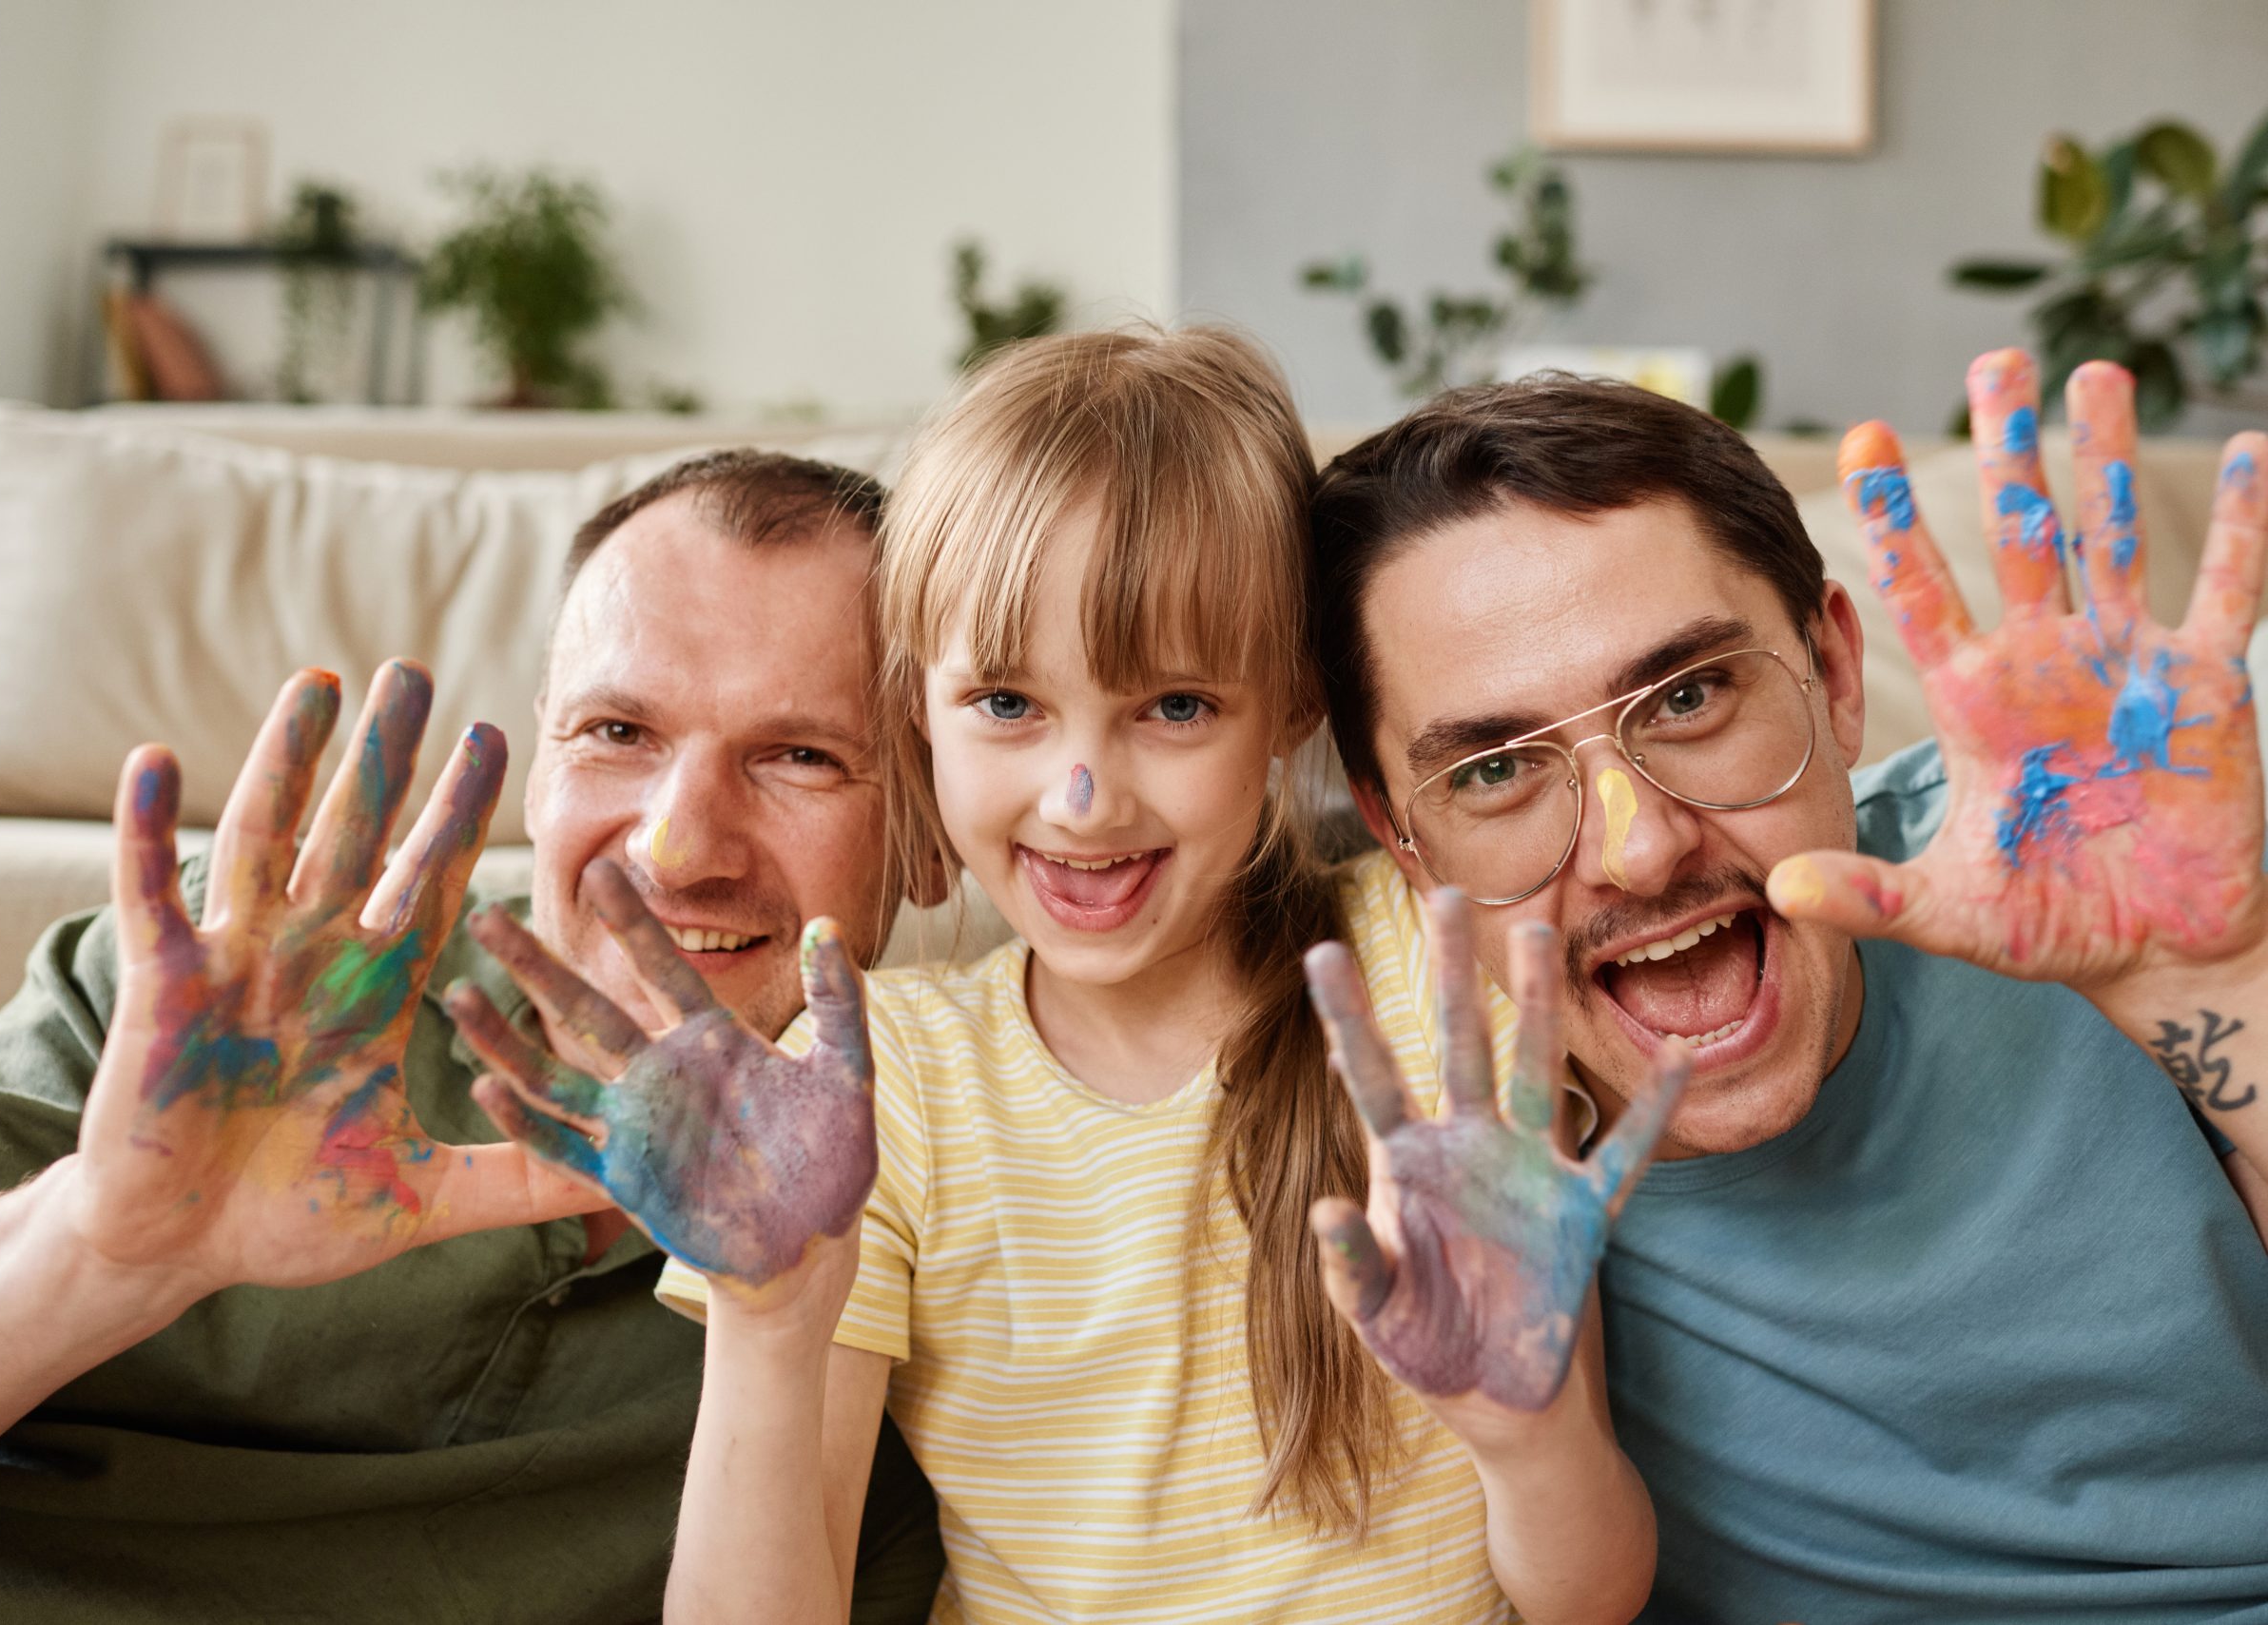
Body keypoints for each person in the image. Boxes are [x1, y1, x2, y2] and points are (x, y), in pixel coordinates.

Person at [452, 325, 1689, 1625]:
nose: (1083, 797)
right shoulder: (874, 1083)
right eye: (1006, 703)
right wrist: (769, 1325)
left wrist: (1524, 1430)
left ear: (1292, 704)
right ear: (912, 714)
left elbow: (1591, 1596)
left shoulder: (1439, 974)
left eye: (1174, 706)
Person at [0, 452, 946, 1624]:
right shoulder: (240, 988)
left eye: (799, 756)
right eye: (616, 730)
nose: (679, 848)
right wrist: (106, 1247)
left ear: (929, 829)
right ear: (539, 767)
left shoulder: (936, 1205)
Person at [1305, 350, 2268, 1622]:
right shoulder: (1450, 1156)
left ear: (1835, 674)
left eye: (1691, 695)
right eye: (1494, 771)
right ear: (1397, 829)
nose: (1640, 844)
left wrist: (2223, 981)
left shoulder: (2104, 840)